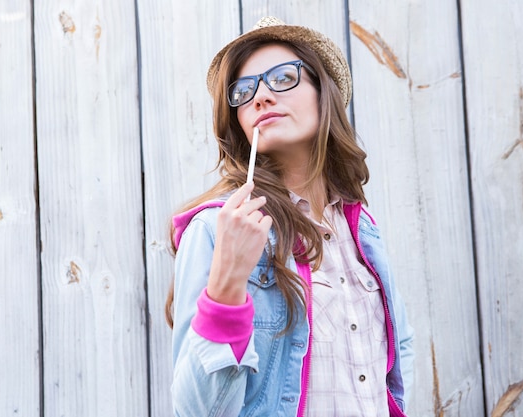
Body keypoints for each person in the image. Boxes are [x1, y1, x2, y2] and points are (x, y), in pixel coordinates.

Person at [165, 16, 415, 417]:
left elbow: (397, 348)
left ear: (323, 92)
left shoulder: (359, 223)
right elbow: (196, 411)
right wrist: (228, 281)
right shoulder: (215, 228)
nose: (260, 97)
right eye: (244, 91)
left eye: (283, 77)